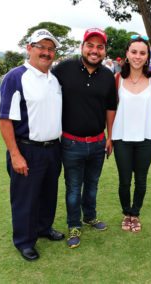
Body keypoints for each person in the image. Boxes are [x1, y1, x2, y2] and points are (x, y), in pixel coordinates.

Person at [0, 29, 64, 261]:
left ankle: (44, 228)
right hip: (27, 148)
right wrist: (15, 154)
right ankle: (24, 241)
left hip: (53, 148)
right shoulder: (16, 77)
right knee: (25, 198)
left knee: (48, 193)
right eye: (41, 47)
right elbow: (5, 119)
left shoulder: (54, 79)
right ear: (29, 48)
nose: (46, 52)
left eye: (50, 49)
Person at [52, 28, 117, 249]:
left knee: (92, 185)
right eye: (90, 45)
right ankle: (73, 225)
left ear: (104, 51)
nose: (94, 50)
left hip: (98, 142)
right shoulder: (64, 69)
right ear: (82, 47)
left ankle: (90, 216)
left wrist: (110, 137)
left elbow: (110, 107)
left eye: (100, 47)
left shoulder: (108, 75)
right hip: (71, 143)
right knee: (73, 188)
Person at [112, 35, 151, 233]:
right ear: (127, 55)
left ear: (147, 56)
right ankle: (126, 213)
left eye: (142, 52)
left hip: (146, 138)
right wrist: (108, 136)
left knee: (141, 180)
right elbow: (111, 109)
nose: (137, 56)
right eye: (134, 52)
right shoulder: (117, 79)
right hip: (121, 138)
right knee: (124, 180)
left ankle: (135, 214)